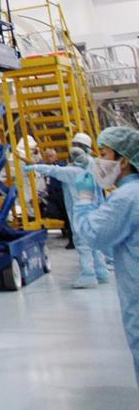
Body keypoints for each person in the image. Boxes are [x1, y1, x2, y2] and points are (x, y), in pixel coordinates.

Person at [75, 126, 139, 386]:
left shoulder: (126, 197)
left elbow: (94, 234)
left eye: (104, 154)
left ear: (123, 160)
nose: (99, 161)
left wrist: (84, 199)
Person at [26, 133, 109, 288]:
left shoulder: (73, 172)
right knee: (93, 244)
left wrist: (36, 167)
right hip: (93, 210)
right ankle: (101, 272)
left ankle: (88, 276)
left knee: (82, 244)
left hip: (80, 213)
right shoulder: (91, 165)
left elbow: (54, 171)